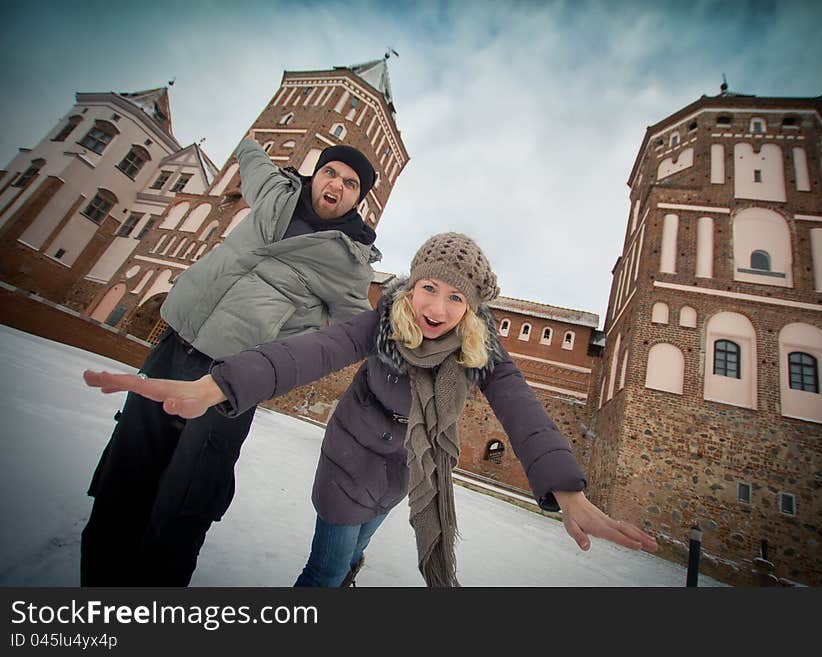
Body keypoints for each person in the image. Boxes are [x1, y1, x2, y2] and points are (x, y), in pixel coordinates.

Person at [84, 232, 658, 587]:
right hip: (349, 463)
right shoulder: (381, 320)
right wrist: (217, 386)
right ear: (411, 284)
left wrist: (567, 489)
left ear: (474, 308)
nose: (437, 306)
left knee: (355, 554)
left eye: (456, 297)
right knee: (328, 568)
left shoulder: (482, 348)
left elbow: (523, 411)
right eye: (430, 288)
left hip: (408, 472)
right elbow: (308, 352)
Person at [80, 136, 382, 586]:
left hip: (230, 382)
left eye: (350, 183)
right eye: (330, 172)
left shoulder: (348, 260)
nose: (335, 185)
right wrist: (246, 142)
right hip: (173, 345)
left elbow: (358, 330)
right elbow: (254, 157)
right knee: (127, 469)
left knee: (187, 495)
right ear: (316, 174)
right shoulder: (276, 193)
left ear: (358, 199)